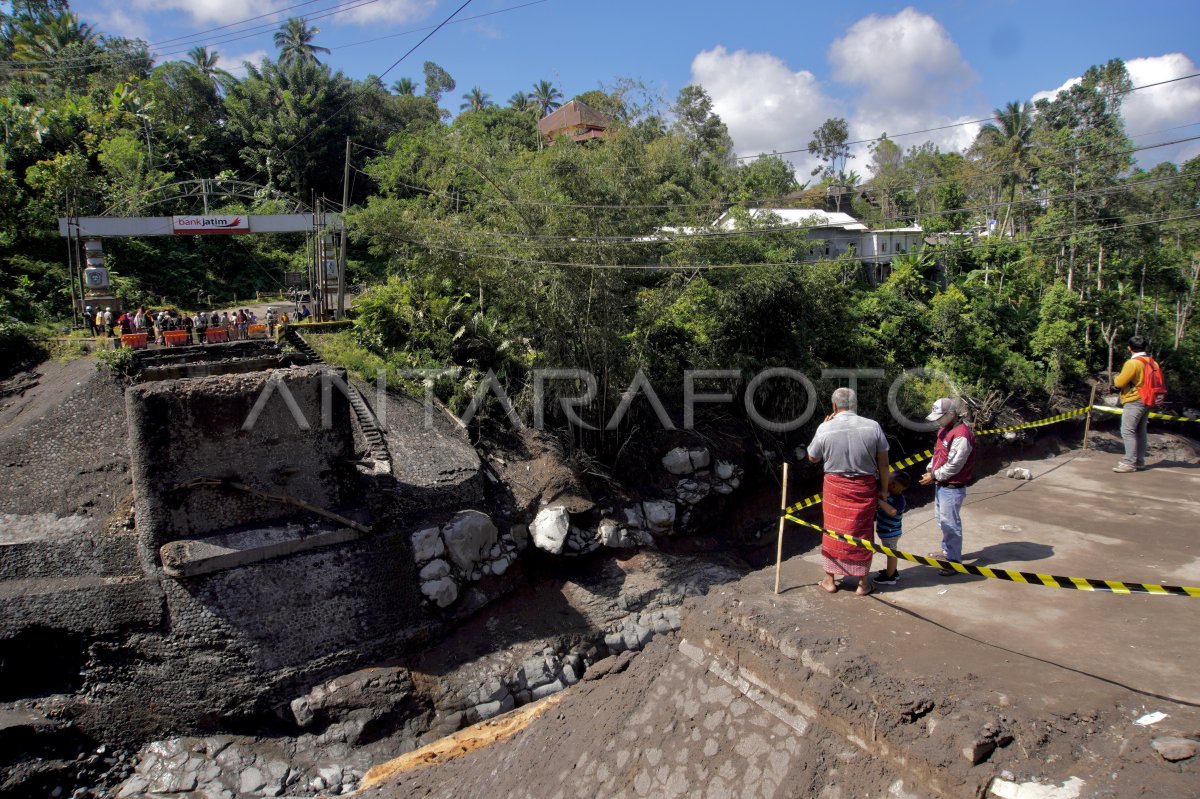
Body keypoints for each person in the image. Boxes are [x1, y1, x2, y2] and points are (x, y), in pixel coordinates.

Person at [806, 387, 890, 597]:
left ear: (834, 406)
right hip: (864, 486)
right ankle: (863, 583)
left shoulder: (825, 428)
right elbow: (884, 463)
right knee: (862, 532)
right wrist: (884, 490)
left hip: (835, 488)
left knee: (833, 531)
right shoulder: (873, 426)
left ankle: (830, 579)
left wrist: (824, 426)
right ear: (855, 405)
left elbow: (812, 457)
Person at [919, 398, 976, 576]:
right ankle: (947, 552)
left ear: (951, 414)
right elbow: (939, 454)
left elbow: (955, 465)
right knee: (942, 521)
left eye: (939, 416)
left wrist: (934, 475)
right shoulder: (945, 429)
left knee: (950, 524)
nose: (937, 420)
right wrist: (931, 468)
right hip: (941, 484)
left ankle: (954, 561)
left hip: (952, 486)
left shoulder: (961, 435)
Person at [1112, 334, 1158, 473]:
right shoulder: (1152, 362)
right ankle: (1139, 461)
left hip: (1134, 400)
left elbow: (1119, 382)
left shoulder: (1133, 363)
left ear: (1129, 348)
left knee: (1127, 430)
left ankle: (1129, 463)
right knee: (1140, 430)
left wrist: (1115, 377)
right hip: (1148, 399)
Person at [872, 472, 910, 586]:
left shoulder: (899, 500)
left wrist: (879, 501)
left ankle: (890, 577)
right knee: (890, 553)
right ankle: (893, 571)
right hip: (887, 532)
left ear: (893, 486)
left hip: (891, 533)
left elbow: (892, 511)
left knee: (891, 554)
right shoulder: (890, 495)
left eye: (887, 482)